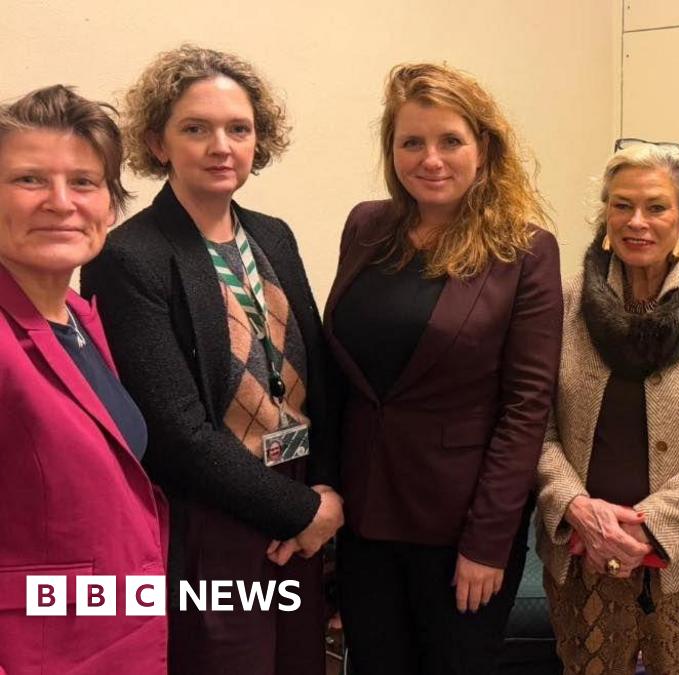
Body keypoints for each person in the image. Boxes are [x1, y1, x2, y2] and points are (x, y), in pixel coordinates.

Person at [80, 46, 340, 675]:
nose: (220, 145)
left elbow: (321, 378)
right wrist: (307, 514)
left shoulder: (273, 234)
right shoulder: (128, 257)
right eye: (196, 128)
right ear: (158, 143)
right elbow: (175, 434)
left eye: (238, 129)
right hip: (213, 521)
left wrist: (326, 496)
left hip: (301, 501)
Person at [325, 62, 562, 674]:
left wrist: (488, 543)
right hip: (363, 516)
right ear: (392, 150)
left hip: (460, 530)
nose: (430, 158)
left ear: (482, 147)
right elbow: (340, 373)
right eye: (412, 142)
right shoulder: (366, 226)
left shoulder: (524, 250)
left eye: (450, 140)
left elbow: (526, 408)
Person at [537, 142, 679, 674]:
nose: (637, 221)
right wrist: (578, 509)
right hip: (584, 556)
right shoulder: (562, 302)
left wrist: (647, 528)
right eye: (622, 206)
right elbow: (535, 428)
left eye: (656, 207)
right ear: (605, 216)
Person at [0, 85, 166, 674]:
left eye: (85, 182)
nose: (60, 202)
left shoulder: (78, 316)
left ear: (111, 206)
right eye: (28, 180)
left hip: (118, 639)